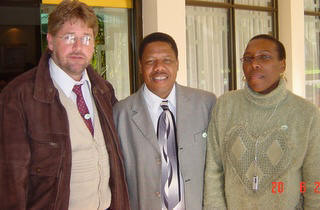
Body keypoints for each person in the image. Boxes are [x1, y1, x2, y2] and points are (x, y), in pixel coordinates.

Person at [0, 0, 130, 209]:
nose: (78, 47)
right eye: (69, 37)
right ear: (50, 41)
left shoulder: (104, 91)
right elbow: (10, 184)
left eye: (86, 38)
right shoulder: (18, 97)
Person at [203, 34, 320, 209]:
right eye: (248, 58)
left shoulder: (306, 114)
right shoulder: (225, 106)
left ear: (282, 64)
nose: (254, 64)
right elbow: (213, 171)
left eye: (264, 57)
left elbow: (314, 183)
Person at [113, 32, 216, 210]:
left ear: (177, 64)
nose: (159, 68)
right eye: (150, 61)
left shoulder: (206, 104)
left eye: (167, 60)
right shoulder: (121, 114)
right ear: (140, 66)